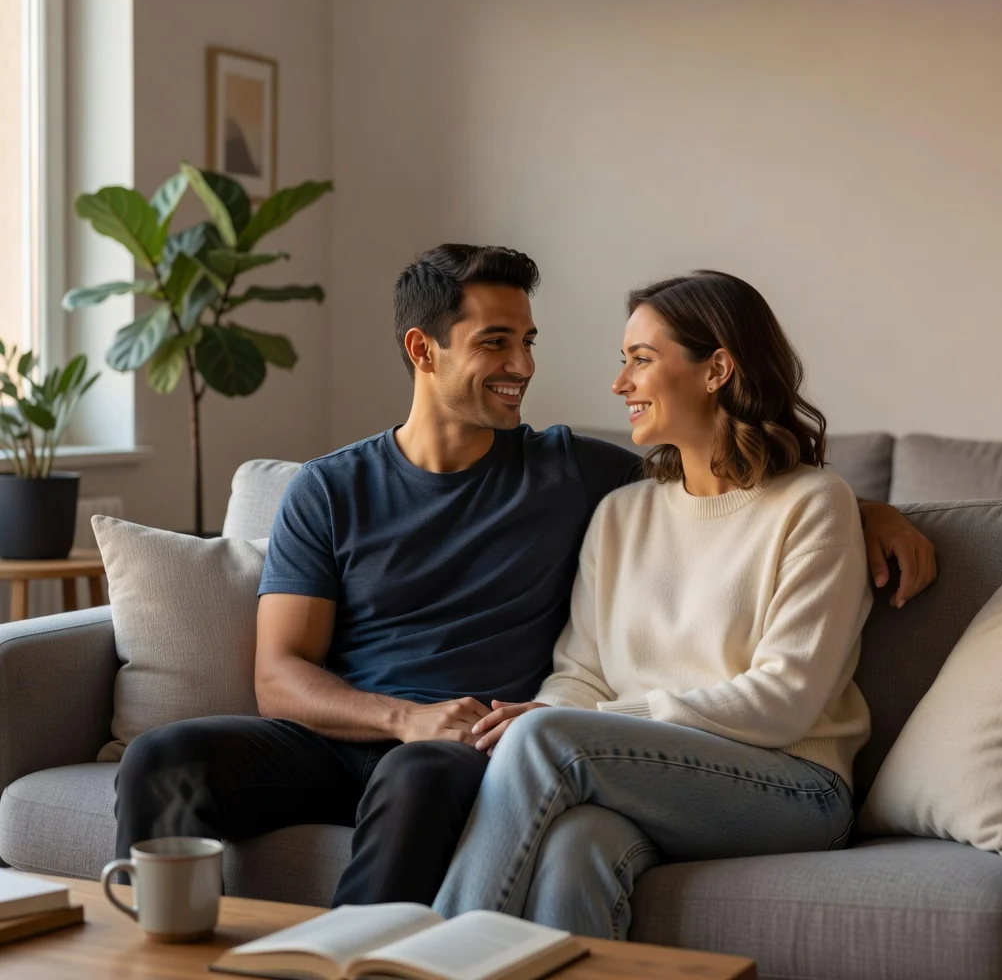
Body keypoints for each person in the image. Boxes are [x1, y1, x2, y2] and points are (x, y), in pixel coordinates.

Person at [114, 248, 935, 910]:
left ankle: (370, 968)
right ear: (422, 350)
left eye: (528, 341)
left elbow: (741, 486)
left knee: (460, 763)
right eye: (496, 343)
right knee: (165, 757)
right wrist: (407, 717)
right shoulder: (334, 489)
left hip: (484, 751)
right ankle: (161, 954)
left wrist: (869, 510)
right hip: (367, 735)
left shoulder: (571, 471)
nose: (525, 366)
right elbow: (280, 675)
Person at [434, 270, 892, 938]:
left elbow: (785, 698)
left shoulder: (813, 504)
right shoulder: (622, 514)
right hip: (651, 777)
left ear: (717, 370)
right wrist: (569, 714)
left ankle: (432, 962)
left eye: (641, 361)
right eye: (623, 363)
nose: (620, 384)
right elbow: (581, 674)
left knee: (542, 736)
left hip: (794, 786)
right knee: (575, 847)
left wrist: (594, 724)